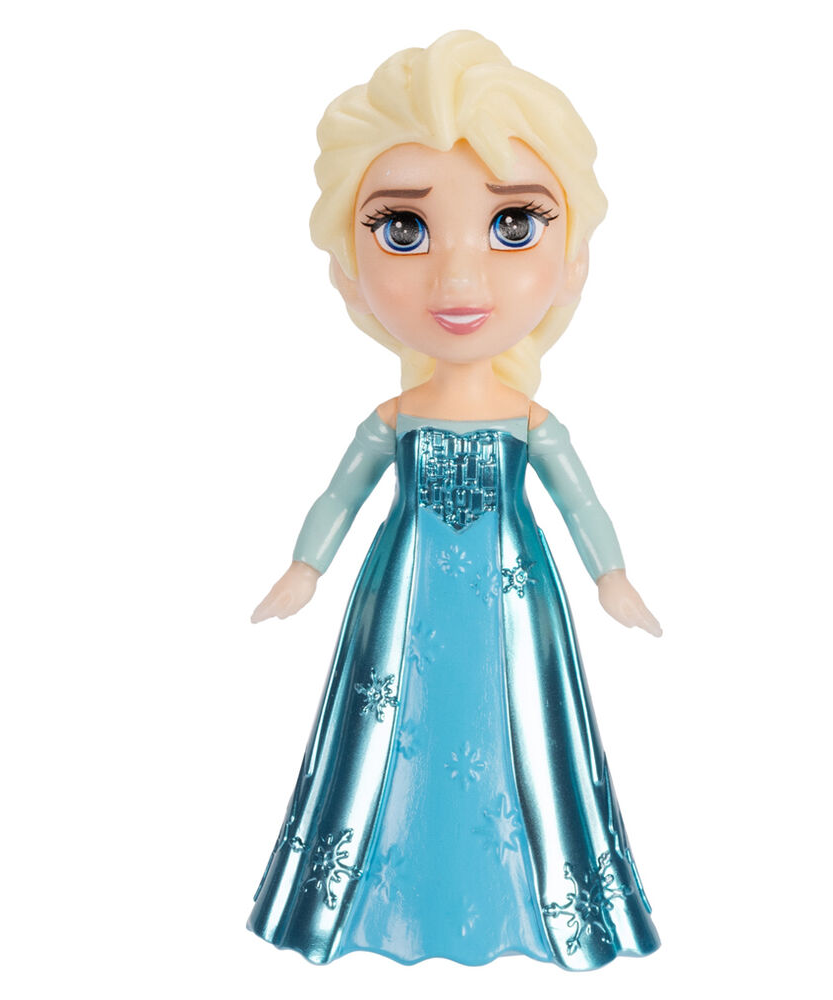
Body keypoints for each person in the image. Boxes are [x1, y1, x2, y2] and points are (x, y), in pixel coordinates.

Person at [248, 30, 662, 970]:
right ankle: (378, 900)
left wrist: (614, 578)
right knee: (391, 729)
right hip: (404, 595)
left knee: (521, 725)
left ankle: (540, 900)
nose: (459, 277)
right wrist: (304, 568)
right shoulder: (394, 416)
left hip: (514, 597)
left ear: (572, 258)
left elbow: (582, 505)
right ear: (350, 266)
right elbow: (340, 493)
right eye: (405, 229)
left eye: (514, 225)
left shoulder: (529, 420)